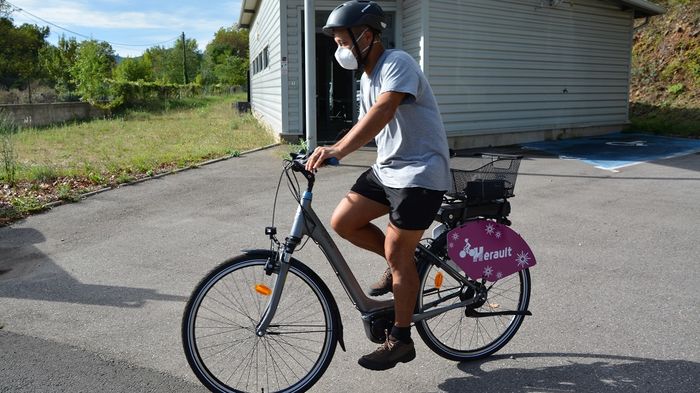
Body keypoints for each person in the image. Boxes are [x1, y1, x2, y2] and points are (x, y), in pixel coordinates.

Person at [305, 0, 451, 371]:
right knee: (343, 221)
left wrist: (338, 148)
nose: (340, 49)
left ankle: (402, 339)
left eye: (343, 41)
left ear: (367, 36)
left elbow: (383, 112)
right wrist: (324, 148)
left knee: (397, 250)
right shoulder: (368, 77)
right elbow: (372, 123)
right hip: (388, 170)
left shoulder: (397, 63)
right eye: (337, 42)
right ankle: (405, 265)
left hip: (420, 173)